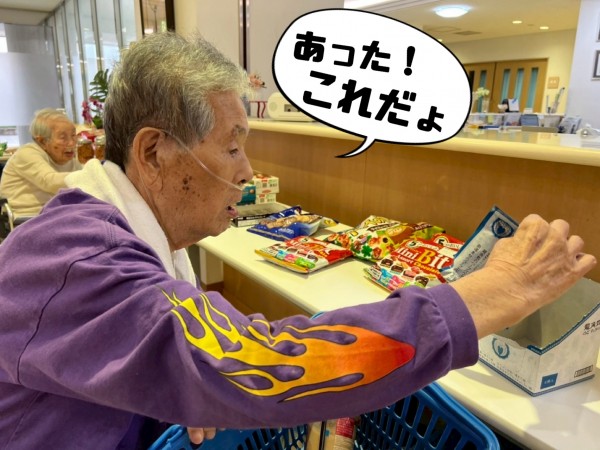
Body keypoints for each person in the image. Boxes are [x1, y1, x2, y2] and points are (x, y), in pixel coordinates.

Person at [0, 32, 595, 450]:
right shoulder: (81, 260)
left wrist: (181, 388)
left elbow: (185, 345)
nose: (246, 172)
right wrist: (495, 291)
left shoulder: (122, 234)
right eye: (232, 146)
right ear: (153, 152)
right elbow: (263, 363)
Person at [0, 108, 82, 218]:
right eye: (63, 138)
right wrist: (90, 175)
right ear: (42, 141)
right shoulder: (27, 153)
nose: (72, 143)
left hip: (58, 215)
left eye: (73, 135)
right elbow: (50, 182)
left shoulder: (70, 159)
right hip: (26, 218)